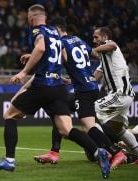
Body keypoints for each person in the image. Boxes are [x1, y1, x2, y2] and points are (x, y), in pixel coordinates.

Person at [0, 4, 110, 179]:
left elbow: (41, 48)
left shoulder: (38, 31)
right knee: (66, 129)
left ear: (31, 18)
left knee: (10, 116)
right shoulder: (55, 33)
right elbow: (63, 56)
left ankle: (9, 160)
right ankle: (99, 153)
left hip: (42, 85)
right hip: (58, 88)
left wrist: (23, 72)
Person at [33, 18, 127, 169]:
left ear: (58, 30)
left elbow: (52, 58)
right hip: (90, 86)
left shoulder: (61, 43)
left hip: (83, 90)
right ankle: (54, 152)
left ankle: (115, 152)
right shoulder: (79, 40)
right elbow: (90, 55)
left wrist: (32, 58)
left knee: (89, 126)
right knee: (61, 110)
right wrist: (73, 77)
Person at [92, 27, 138, 155]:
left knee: (90, 112)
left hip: (120, 93)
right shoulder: (104, 59)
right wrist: (72, 81)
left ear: (104, 37)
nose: (94, 40)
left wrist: (91, 50)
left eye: (96, 37)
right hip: (124, 96)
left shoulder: (110, 44)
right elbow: (93, 78)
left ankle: (111, 151)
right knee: (118, 129)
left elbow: (112, 45)